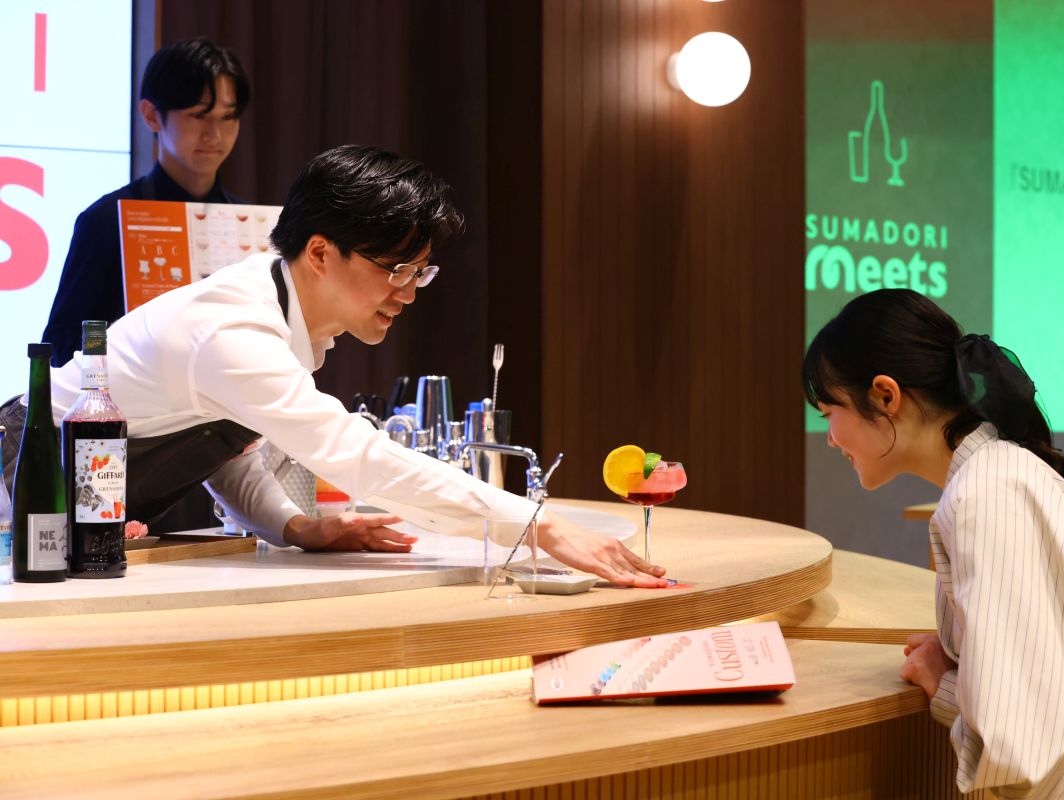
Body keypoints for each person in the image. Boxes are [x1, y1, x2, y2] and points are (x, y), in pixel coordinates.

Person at [2, 144, 666, 588]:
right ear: (320, 252)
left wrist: (297, 528)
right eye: (396, 269)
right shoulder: (236, 329)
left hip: (80, 507)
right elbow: (357, 456)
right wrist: (539, 522)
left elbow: (226, 448)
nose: (408, 292)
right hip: (20, 490)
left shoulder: (275, 311)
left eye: (420, 271)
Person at [803, 289, 1064, 799]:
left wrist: (943, 683)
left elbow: (1036, 750)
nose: (831, 438)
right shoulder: (1002, 467)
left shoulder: (983, 494)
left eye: (828, 413)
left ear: (885, 395)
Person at [41, 37, 250, 368]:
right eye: (199, 115)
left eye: (228, 117)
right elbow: (59, 346)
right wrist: (127, 335)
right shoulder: (107, 220)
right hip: (134, 398)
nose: (215, 135)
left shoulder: (248, 225)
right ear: (152, 116)